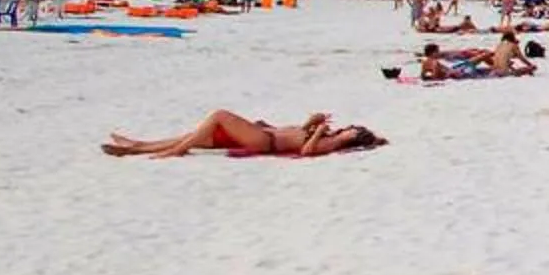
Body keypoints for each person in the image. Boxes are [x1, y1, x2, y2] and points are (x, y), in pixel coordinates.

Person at [104, 110, 387, 158]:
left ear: (352, 136)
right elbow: (299, 136)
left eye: (354, 129)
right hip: (265, 134)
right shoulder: (329, 134)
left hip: (265, 140)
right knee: (198, 133)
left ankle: (175, 151)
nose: (349, 127)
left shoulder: (334, 141)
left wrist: (318, 133)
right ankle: (138, 146)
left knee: (219, 115)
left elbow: (305, 151)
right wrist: (310, 123)